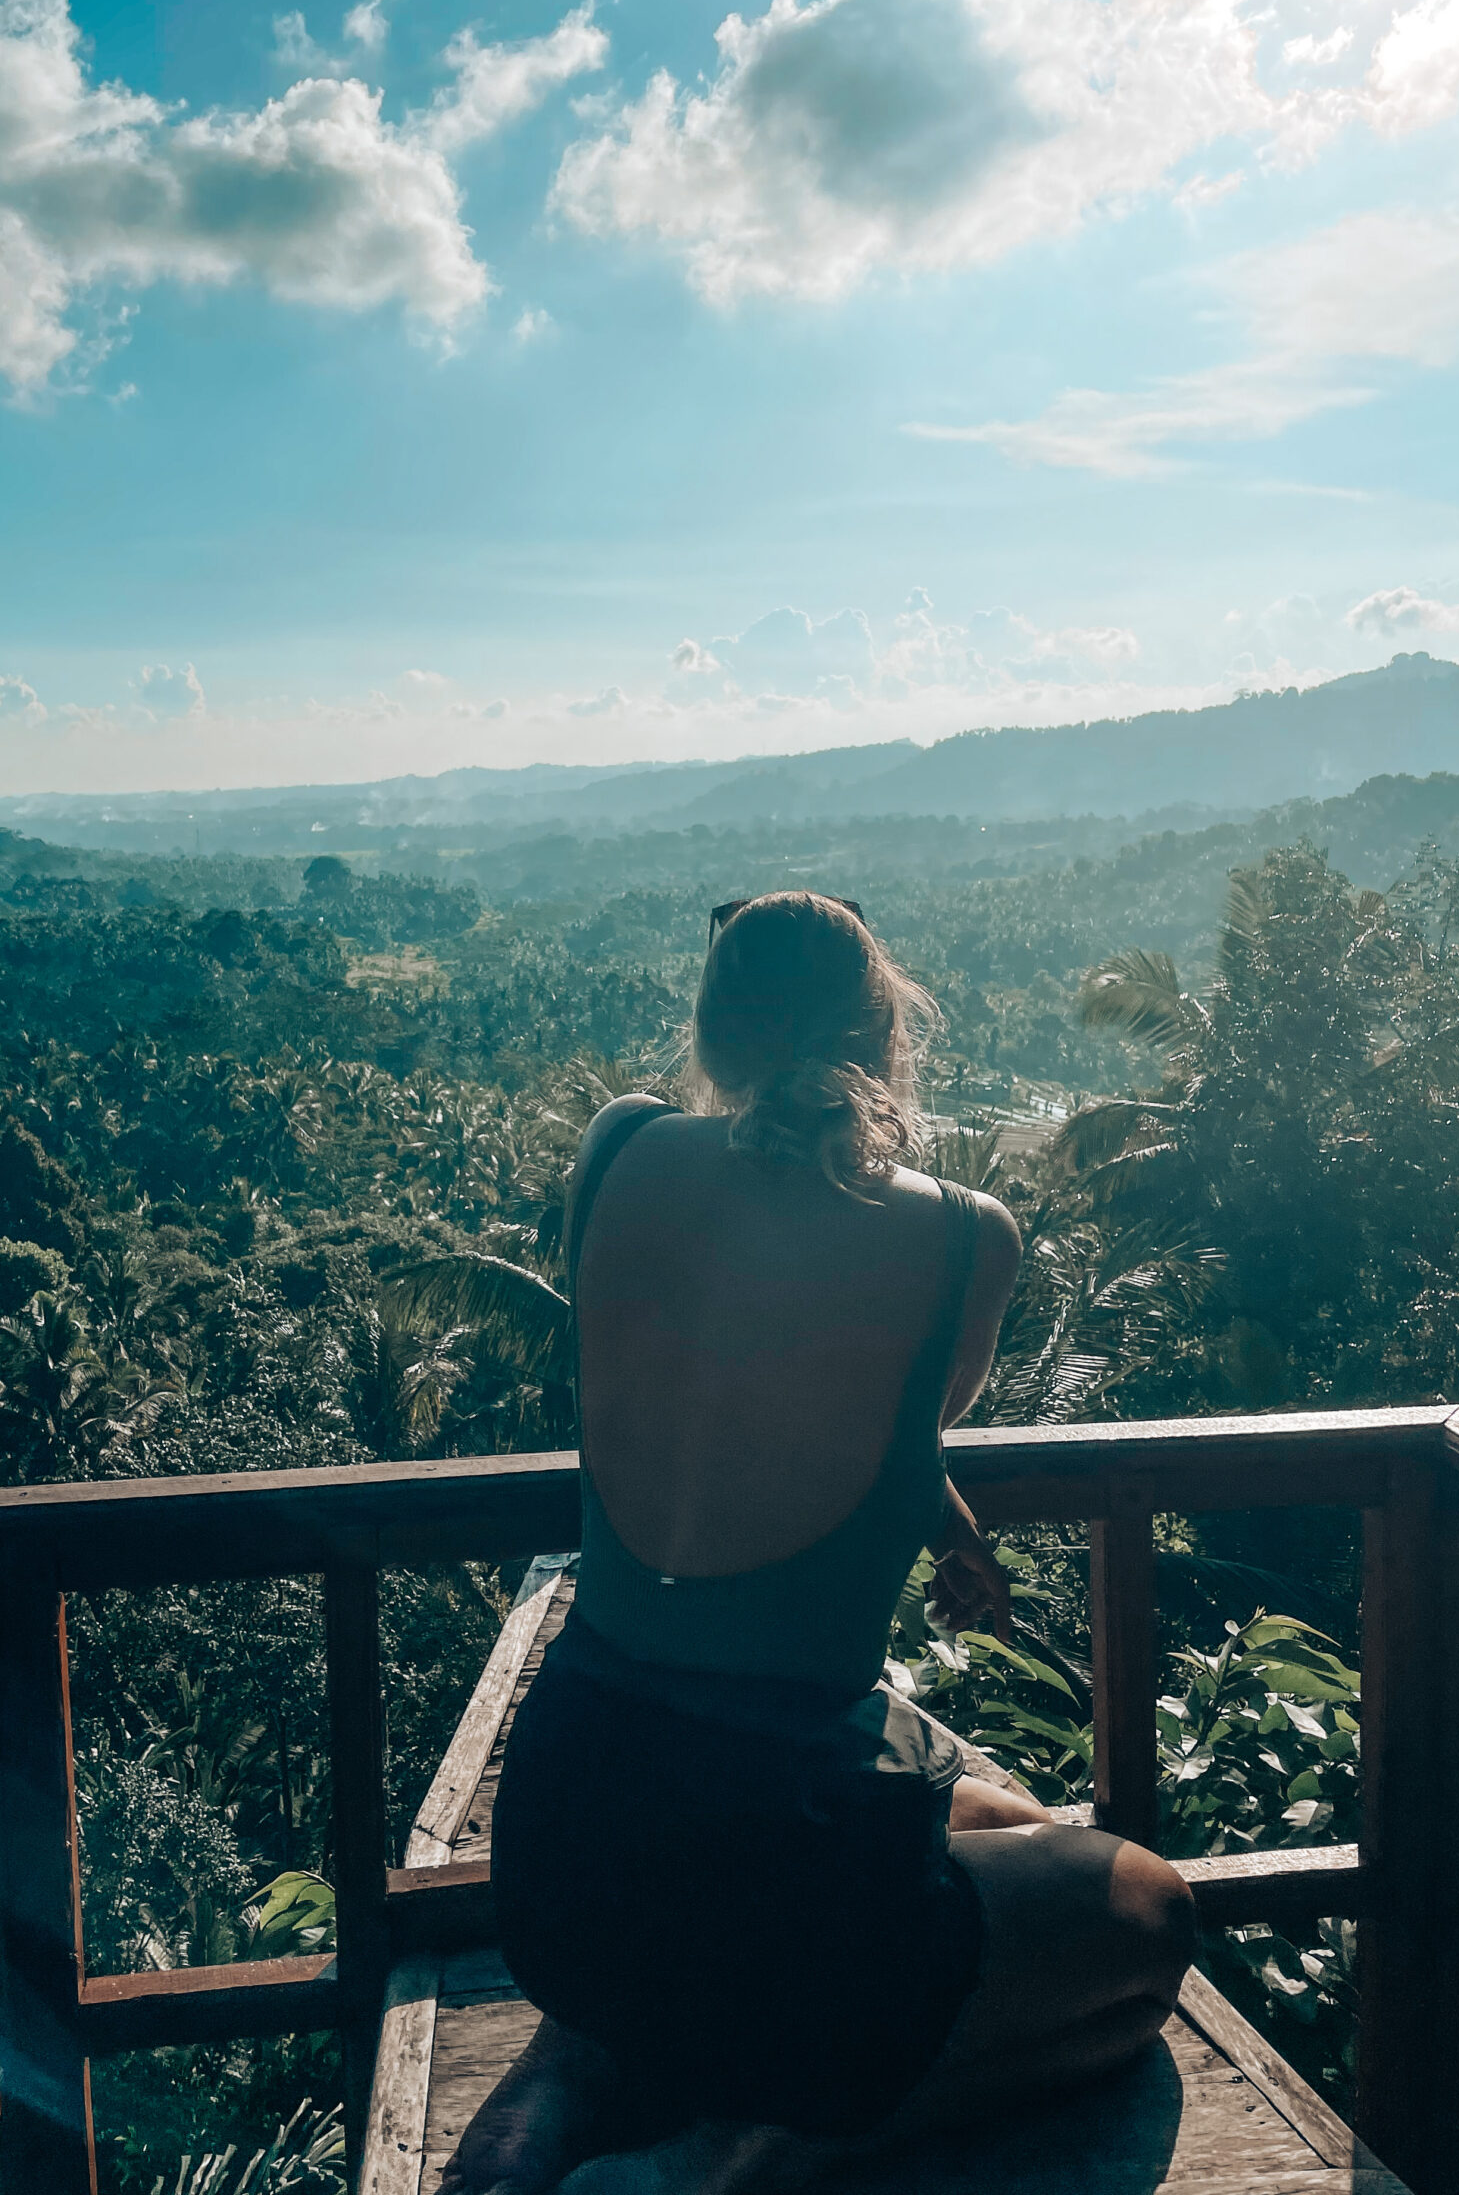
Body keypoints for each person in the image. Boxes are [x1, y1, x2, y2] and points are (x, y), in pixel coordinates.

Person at [441, 894, 1194, 2195]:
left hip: (566, 1848)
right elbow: (888, 1413)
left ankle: (576, 2068)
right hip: (779, 1864)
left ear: (713, 1030)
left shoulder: (621, 1150)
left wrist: (932, 1511)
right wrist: (950, 1526)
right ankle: (729, 2154)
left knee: (997, 1813)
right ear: (888, 1034)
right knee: (1148, 1917)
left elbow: (721, 1393)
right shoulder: (965, 1238)